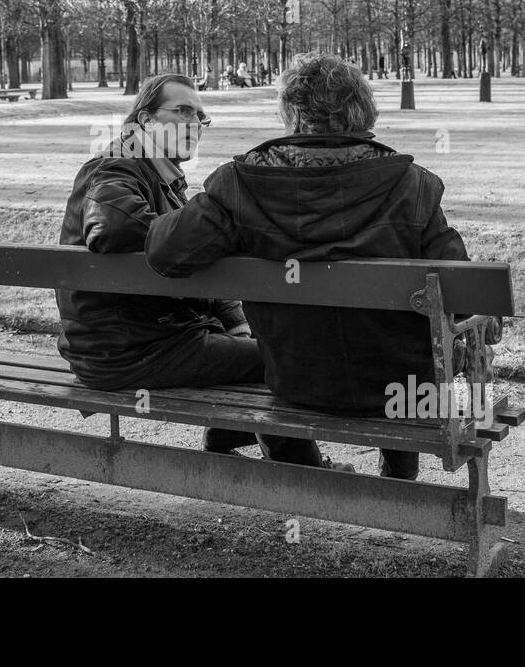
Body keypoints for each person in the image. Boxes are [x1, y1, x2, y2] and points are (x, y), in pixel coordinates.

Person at [144, 53, 499, 480]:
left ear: (292, 114)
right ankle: (398, 477)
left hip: (295, 380)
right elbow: (462, 299)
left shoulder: (237, 184)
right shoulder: (414, 185)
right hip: (401, 390)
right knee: (402, 335)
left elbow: (167, 253)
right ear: (362, 111)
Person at [55, 73, 322, 465]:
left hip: (140, 341)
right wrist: (200, 231)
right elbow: (110, 226)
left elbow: (183, 259)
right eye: (182, 111)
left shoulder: (159, 177)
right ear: (144, 122)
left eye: (200, 116)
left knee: (268, 347)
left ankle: (226, 437)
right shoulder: (115, 167)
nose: (194, 123)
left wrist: (233, 317)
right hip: (131, 351)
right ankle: (302, 471)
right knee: (284, 361)